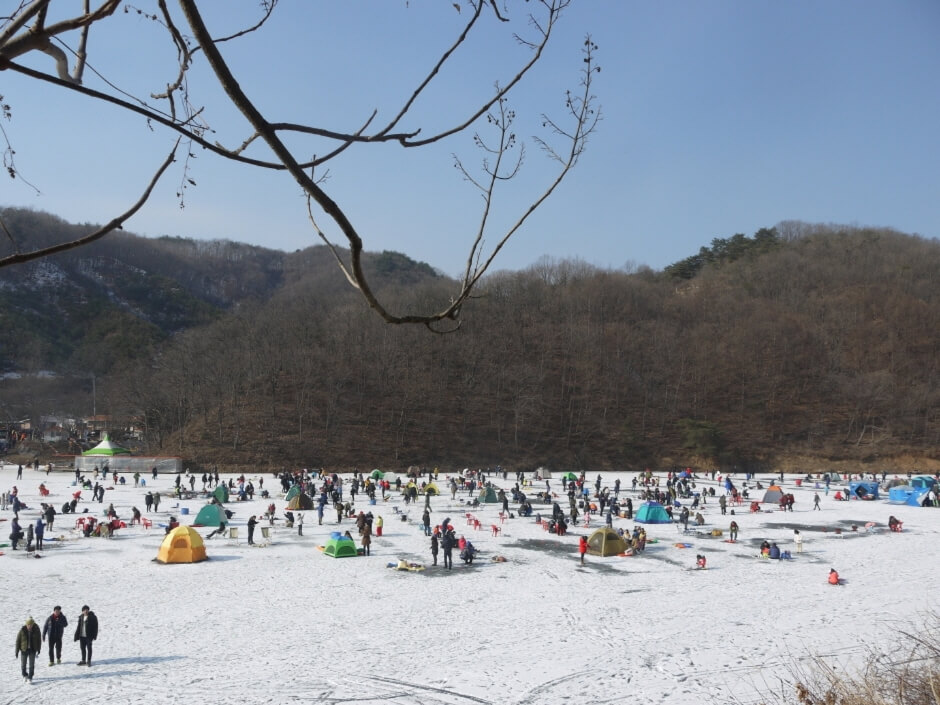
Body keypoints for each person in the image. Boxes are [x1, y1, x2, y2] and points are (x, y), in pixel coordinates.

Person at [16, 617, 42, 682]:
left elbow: (39, 640)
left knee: (31, 664)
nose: (30, 626)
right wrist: (16, 651)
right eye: (28, 625)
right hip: (24, 649)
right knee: (23, 664)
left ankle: (30, 677)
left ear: (33, 625)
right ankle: (24, 675)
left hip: (32, 649)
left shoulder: (36, 630)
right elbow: (18, 640)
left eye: (31, 625)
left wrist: (38, 649)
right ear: (26, 624)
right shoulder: (22, 630)